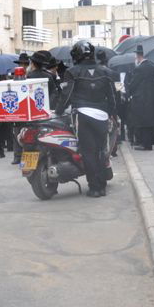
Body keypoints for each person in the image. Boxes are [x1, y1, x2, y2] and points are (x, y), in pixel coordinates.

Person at [60, 41, 119, 197]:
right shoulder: (106, 72)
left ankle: (94, 188)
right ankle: (102, 185)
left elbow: (66, 96)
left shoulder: (72, 72)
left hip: (83, 115)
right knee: (101, 150)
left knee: (89, 152)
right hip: (102, 115)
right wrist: (113, 114)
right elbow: (113, 96)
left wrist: (58, 111)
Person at [126, 46, 154, 151]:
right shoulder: (151, 66)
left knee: (142, 121)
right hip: (151, 96)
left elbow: (134, 84)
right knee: (150, 119)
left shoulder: (140, 68)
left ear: (138, 55)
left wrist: (128, 88)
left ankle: (145, 144)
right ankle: (152, 141)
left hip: (141, 97)